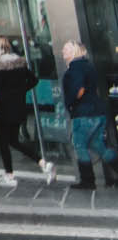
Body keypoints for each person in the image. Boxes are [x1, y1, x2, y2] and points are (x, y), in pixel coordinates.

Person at [0, 36, 51, 185]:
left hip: (5, 108)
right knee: (13, 140)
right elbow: (34, 80)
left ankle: (9, 175)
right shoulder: (19, 62)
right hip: (19, 107)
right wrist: (20, 91)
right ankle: (42, 163)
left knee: (3, 141)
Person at [61, 40, 118, 189]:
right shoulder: (87, 65)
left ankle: (88, 181)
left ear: (74, 51)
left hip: (83, 113)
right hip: (97, 111)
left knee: (80, 145)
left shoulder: (75, 68)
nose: (63, 51)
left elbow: (78, 90)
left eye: (66, 49)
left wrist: (71, 104)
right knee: (98, 146)